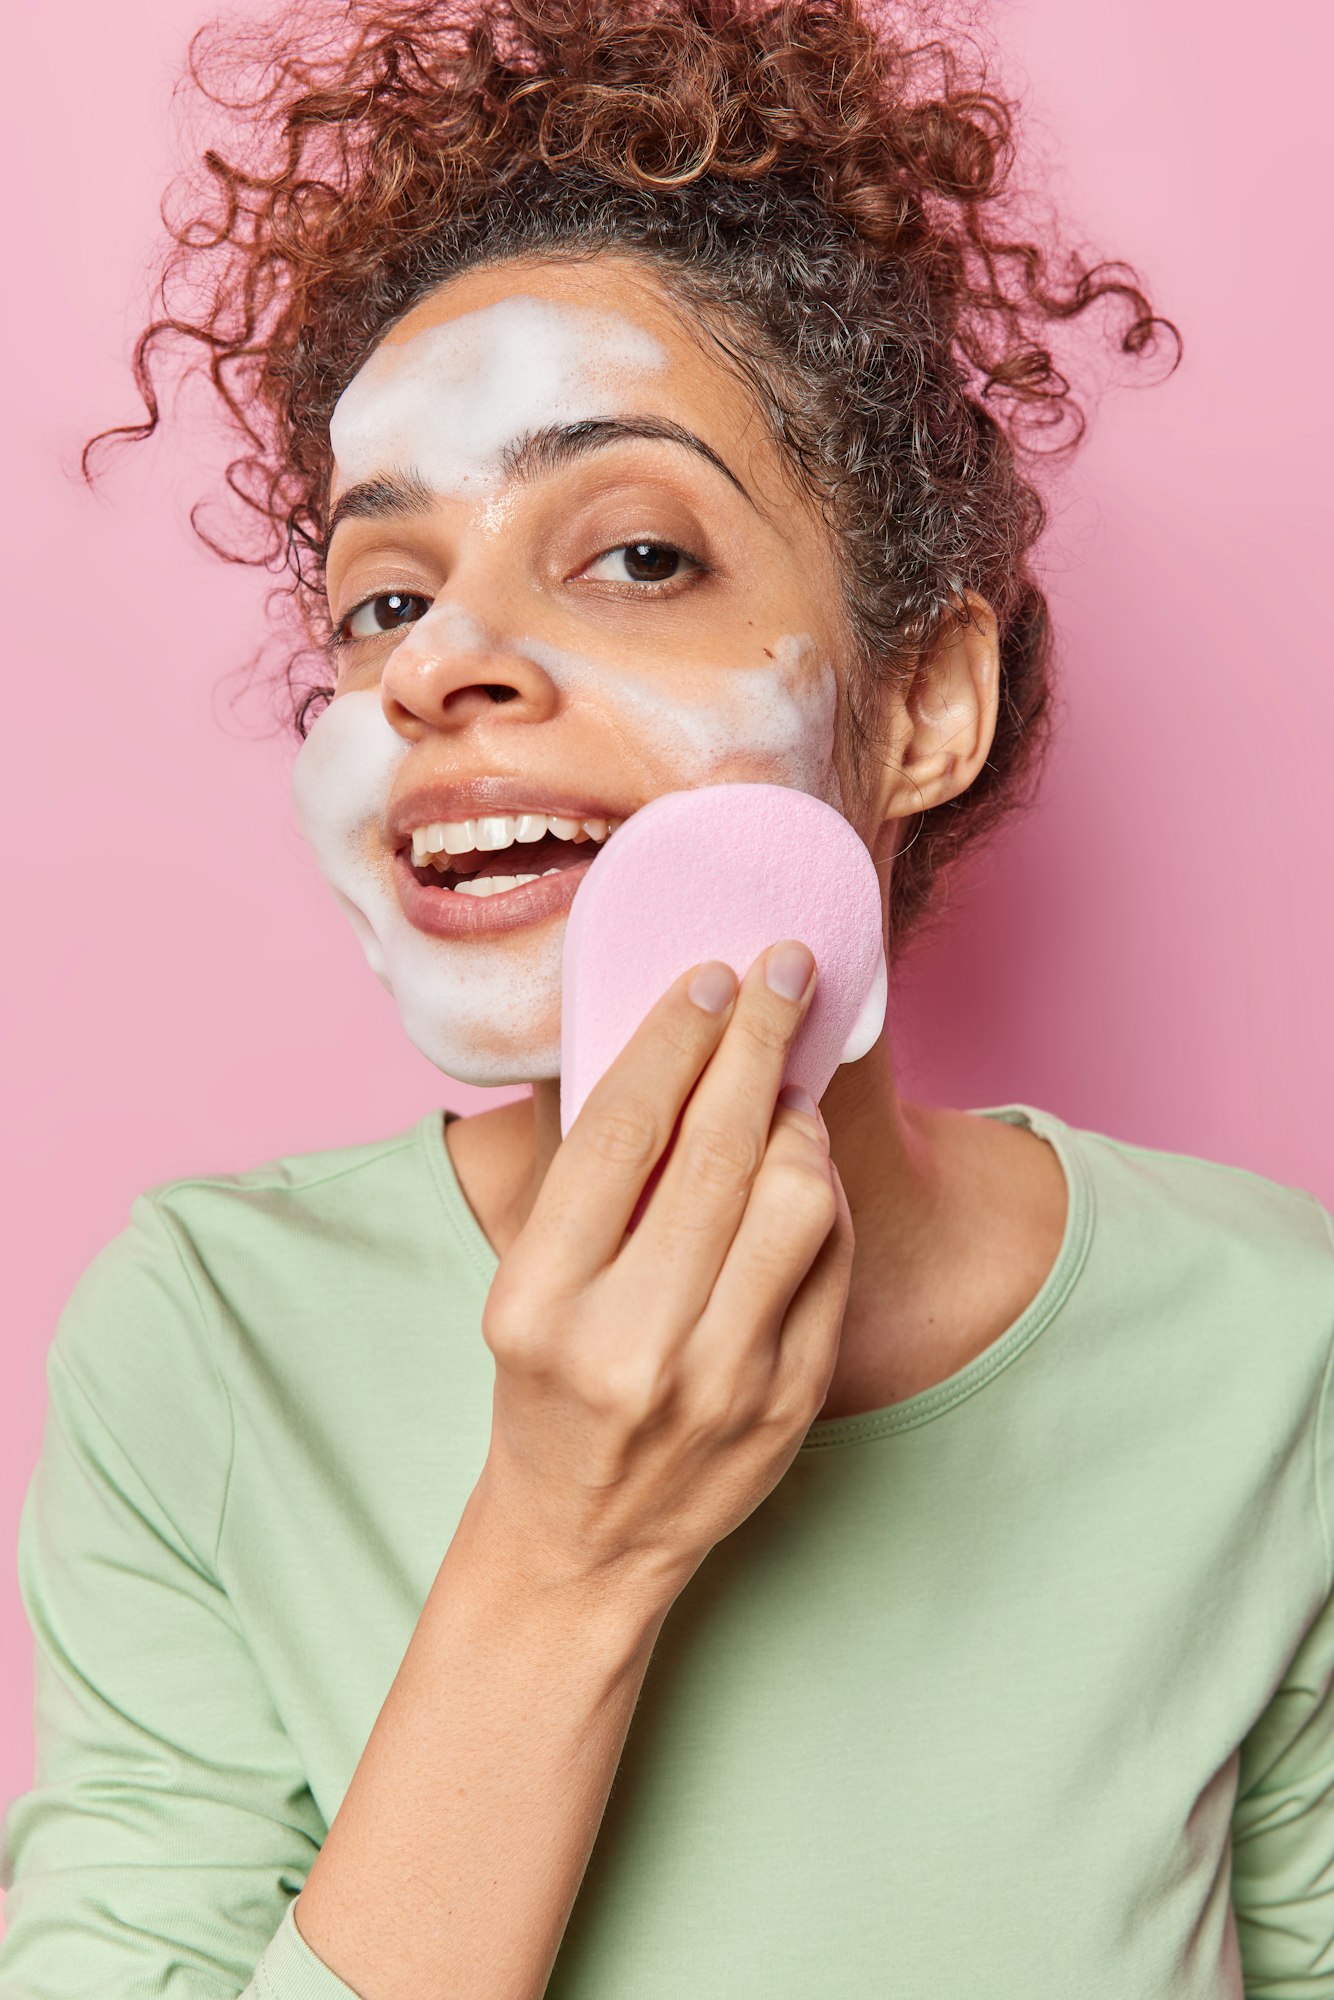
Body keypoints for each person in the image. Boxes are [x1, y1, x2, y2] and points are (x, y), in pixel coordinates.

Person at [2, 2, 1331, 1995]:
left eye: (629, 551)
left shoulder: (1263, 1336)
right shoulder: (207, 1343)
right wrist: (563, 1550)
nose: (442, 659)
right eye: (387, 594)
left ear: (920, 704)